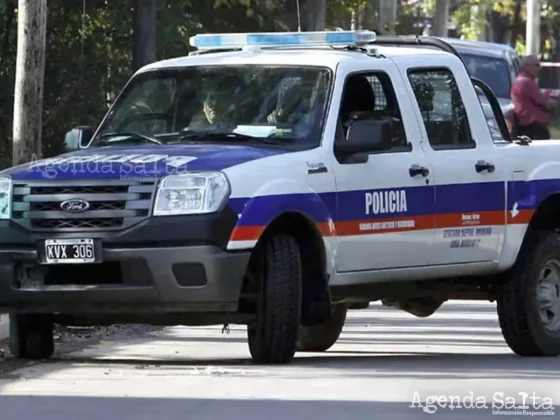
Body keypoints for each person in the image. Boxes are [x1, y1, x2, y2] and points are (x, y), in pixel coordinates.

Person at [510, 55, 557, 140]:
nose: (539, 68)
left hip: (525, 124)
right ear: (527, 67)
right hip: (533, 126)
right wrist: (553, 103)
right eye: (536, 65)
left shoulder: (520, 80)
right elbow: (544, 102)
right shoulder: (527, 82)